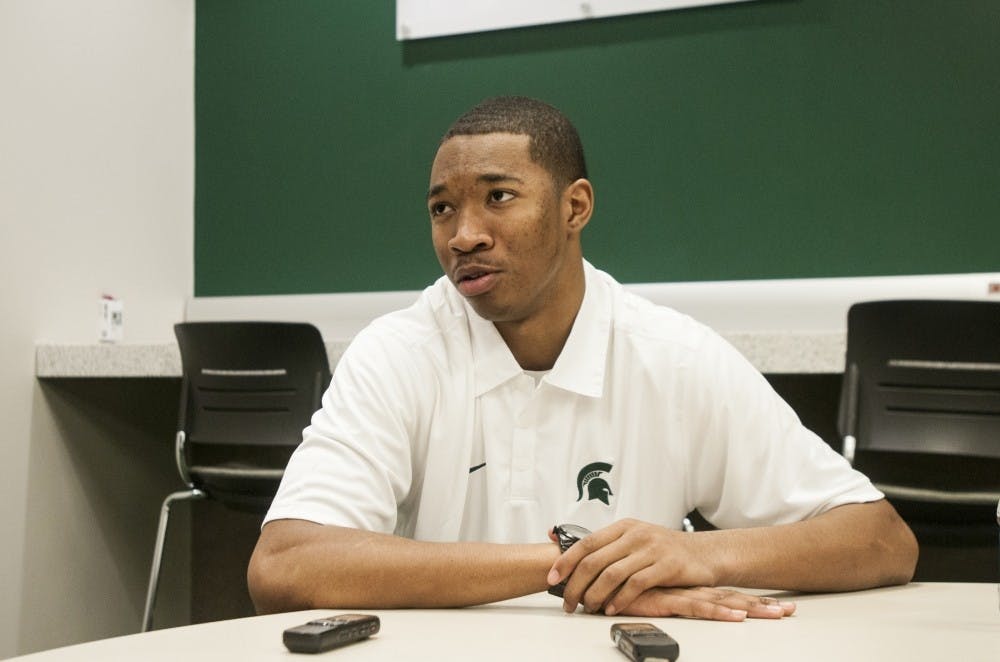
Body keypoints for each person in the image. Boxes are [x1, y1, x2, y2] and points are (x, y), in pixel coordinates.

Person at [248, 96, 917, 621]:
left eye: (498, 196)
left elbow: (883, 541)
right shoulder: (398, 353)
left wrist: (688, 554)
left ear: (575, 207)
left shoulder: (671, 357)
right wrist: (580, 566)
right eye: (442, 209)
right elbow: (283, 566)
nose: (464, 236)